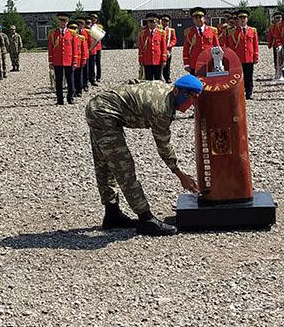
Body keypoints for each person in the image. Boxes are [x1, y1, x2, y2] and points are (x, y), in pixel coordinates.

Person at [85, 75, 204, 236]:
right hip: (104, 114)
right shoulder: (162, 108)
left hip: (100, 106)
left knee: (104, 164)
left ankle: (112, 214)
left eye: (195, 98)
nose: (190, 102)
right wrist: (180, 174)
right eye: (189, 96)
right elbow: (164, 147)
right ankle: (146, 220)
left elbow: (134, 82)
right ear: (177, 91)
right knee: (123, 167)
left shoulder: (165, 89)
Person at [228, 8, 259, 99]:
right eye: (240, 18)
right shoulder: (233, 32)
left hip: (249, 57)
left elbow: (255, 44)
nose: (242, 19)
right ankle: (240, 93)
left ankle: (249, 93)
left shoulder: (252, 30)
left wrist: (256, 56)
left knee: (249, 76)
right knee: (239, 76)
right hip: (239, 58)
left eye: (244, 18)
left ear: (247, 19)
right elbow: (231, 46)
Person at [48, 13, 76, 105]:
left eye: (65, 22)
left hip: (69, 60)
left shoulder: (72, 33)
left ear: (67, 22)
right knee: (58, 81)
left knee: (70, 80)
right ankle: (60, 99)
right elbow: (50, 48)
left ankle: (70, 97)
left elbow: (74, 48)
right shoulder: (53, 34)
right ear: (58, 22)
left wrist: (75, 61)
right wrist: (51, 61)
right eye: (61, 22)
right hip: (58, 61)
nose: (63, 23)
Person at [183, 7, 219, 73]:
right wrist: (186, 64)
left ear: (204, 18)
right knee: (196, 82)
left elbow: (217, 47)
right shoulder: (189, 32)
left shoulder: (212, 31)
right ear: (193, 19)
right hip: (194, 62)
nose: (198, 19)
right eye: (196, 17)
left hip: (209, 62)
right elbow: (186, 49)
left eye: (200, 17)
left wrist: (218, 62)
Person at [138, 13, 166, 81]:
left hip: (157, 60)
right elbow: (141, 47)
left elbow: (163, 47)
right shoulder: (143, 34)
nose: (152, 24)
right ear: (147, 23)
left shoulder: (161, 33)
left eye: (154, 22)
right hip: (147, 60)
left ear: (157, 23)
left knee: (158, 79)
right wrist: (140, 59)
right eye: (150, 22)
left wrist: (164, 59)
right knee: (148, 79)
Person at [159, 14, 176, 83]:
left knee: (167, 65)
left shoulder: (171, 30)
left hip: (167, 50)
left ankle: (167, 77)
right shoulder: (158, 30)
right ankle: (159, 77)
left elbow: (174, 40)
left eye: (166, 21)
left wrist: (170, 45)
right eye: (163, 21)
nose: (165, 22)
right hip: (159, 50)